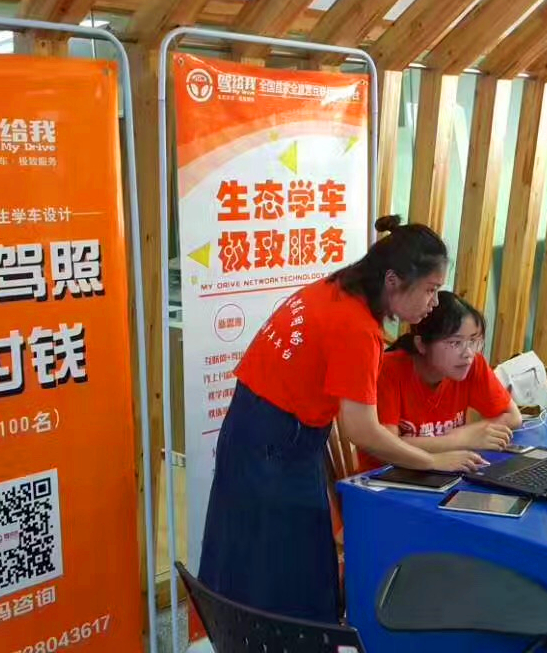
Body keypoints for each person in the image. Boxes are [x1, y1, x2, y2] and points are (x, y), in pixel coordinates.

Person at [199, 215, 484, 624]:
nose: (434, 303)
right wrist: (433, 460)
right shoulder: (357, 327)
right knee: (280, 571)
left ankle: (248, 634)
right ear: (393, 280)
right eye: (430, 289)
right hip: (275, 444)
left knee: (255, 558)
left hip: (254, 427)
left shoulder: (338, 287)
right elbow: (361, 431)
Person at [356, 291, 522, 471]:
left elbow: (513, 416)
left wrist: (470, 432)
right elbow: (386, 446)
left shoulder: (473, 365)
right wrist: (459, 440)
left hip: (445, 470)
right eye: (455, 343)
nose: (468, 353)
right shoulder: (388, 370)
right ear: (421, 345)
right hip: (387, 476)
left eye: (473, 341)